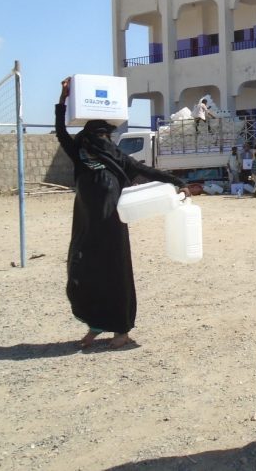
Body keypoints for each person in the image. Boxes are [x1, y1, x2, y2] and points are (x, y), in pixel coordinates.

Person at [55, 78, 189, 350]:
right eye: (97, 137)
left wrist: (178, 182)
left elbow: (147, 171)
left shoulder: (117, 159)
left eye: (104, 137)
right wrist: (63, 98)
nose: (101, 141)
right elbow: (60, 132)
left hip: (112, 227)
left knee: (114, 273)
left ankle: (122, 329)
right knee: (85, 270)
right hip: (87, 224)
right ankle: (95, 324)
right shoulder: (79, 156)